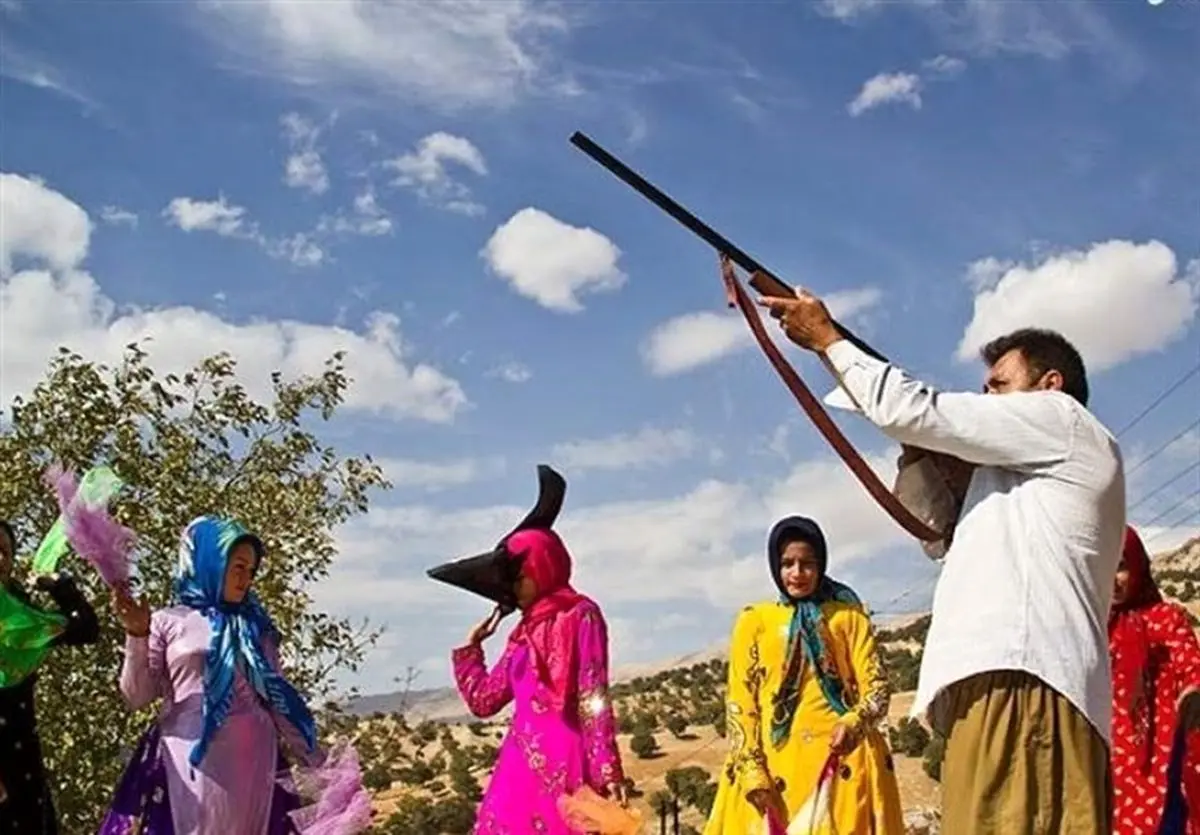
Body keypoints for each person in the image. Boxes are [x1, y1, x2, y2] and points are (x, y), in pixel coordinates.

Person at [758, 287, 1125, 834]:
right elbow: (938, 530)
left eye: (999, 386)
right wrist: (921, 447)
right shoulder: (1018, 477)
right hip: (1006, 684)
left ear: (1051, 387)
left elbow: (918, 411)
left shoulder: (1063, 421)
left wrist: (828, 341)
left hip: (1022, 682)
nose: (986, 399)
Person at [99, 515, 322, 835]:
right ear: (210, 561)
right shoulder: (166, 621)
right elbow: (137, 696)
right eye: (238, 567)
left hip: (254, 764)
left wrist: (321, 766)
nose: (246, 579)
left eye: (251, 571)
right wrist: (137, 634)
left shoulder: (256, 627)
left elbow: (280, 701)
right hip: (186, 762)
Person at [704, 516, 903, 834]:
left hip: (842, 765)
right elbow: (741, 702)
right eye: (787, 564)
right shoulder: (754, 622)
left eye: (807, 564)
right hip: (774, 766)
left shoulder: (849, 618)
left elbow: (877, 688)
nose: (797, 574)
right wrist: (752, 769)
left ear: (821, 564)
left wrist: (853, 723)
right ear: (775, 566)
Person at [450, 528, 625, 834]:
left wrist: (607, 768)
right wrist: (471, 649)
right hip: (517, 771)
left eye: (519, 579)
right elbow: (484, 701)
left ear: (542, 568)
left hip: (569, 765)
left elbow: (593, 697)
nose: (514, 590)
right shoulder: (522, 634)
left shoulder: (582, 615)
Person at [0, 518, 101, 835]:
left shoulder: (25, 619)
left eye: (4, 551)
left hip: (21, 762)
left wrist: (58, 585)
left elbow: (85, 628)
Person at [1109, 525, 1200, 834]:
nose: (1111, 579)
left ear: (1137, 566)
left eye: (1120, 566)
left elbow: (1191, 664)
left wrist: (1192, 694)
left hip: (1159, 753)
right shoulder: (1092, 630)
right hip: (1110, 758)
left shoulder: (1163, 617)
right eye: (1102, 565)